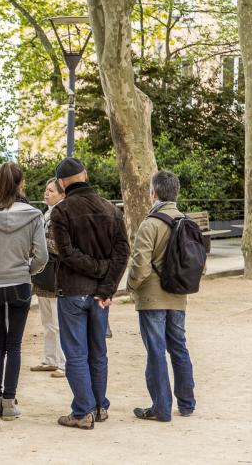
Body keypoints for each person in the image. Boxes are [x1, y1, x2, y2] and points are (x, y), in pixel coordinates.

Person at [50, 158, 130, 430]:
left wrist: (96, 269)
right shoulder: (111, 209)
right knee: (98, 352)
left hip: (73, 290)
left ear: (62, 183)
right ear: (85, 175)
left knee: (76, 353)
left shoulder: (61, 212)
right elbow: (122, 253)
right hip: (101, 294)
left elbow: (67, 253)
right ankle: (99, 405)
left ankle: (82, 410)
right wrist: (106, 284)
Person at [0, 162, 48, 421]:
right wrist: (29, 270)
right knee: (14, 345)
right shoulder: (34, 215)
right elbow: (42, 255)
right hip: (19, 281)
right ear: (21, 185)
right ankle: (9, 402)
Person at [127, 170, 196, 422]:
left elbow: (140, 266)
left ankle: (161, 407)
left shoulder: (150, 224)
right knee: (179, 347)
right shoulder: (187, 222)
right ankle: (187, 404)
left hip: (151, 298)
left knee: (155, 350)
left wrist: (131, 286)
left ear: (154, 193)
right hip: (178, 295)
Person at [30, 178, 67, 378]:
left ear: (62, 194)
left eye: (51, 191)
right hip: (45, 272)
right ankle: (51, 359)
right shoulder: (47, 213)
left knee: (56, 320)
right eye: (46, 189)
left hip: (55, 271)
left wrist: (39, 243)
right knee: (47, 321)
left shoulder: (60, 214)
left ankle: (62, 361)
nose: (46, 193)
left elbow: (60, 246)